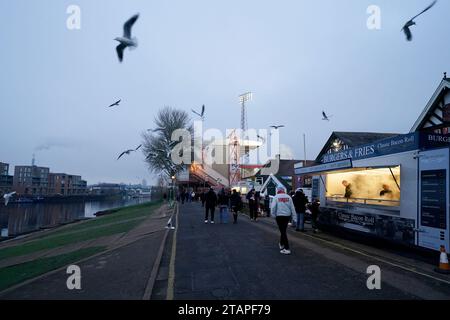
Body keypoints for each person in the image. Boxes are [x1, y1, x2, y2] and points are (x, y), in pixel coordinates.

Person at [271, 187, 296, 255]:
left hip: (279, 216)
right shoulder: (288, 197)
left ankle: (287, 248)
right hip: (287, 216)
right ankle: (281, 244)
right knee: (283, 230)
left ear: (278, 191)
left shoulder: (276, 197)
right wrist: (294, 217)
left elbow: (273, 207)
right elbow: (292, 207)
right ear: (283, 191)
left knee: (283, 231)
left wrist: (273, 215)